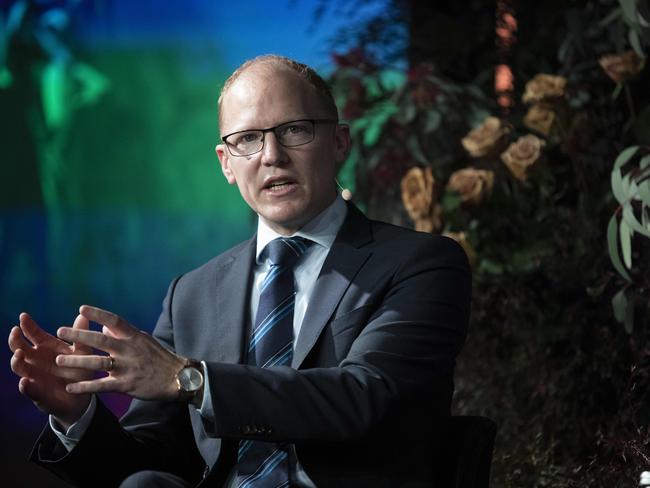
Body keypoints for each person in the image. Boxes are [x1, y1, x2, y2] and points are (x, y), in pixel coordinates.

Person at [8, 55, 471, 487]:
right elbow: (148, 459)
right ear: (225, 163)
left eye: (294, 129)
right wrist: (77, 417)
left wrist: (191, 379)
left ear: (339, 142)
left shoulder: (421, 263)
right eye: (247, 139)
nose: (272, 155)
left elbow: (362, 397)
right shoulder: (191, 293)